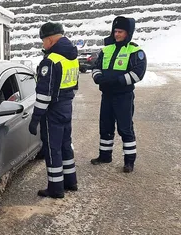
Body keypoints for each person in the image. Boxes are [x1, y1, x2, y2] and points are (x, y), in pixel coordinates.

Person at [29, 22, 79, 198]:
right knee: (66, 145)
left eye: (43, 41)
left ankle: (56, 188)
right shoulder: (72, 57)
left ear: (50, 40)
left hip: (53, 111)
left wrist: (35, 118)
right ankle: (71, 181)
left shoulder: (51, 61)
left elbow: (44, 95)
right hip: (67, 107)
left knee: (52, 149)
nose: (43, 44)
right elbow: (74, 86)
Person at [91, 16, 147, 173]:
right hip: (107, 96)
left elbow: (138, 74)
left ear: (128, 33)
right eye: (115, 31)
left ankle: (129, 162)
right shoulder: (106, 49)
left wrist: (117, 81)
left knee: (125, 128)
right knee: (105, 126)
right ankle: (105, 156)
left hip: (123, 96)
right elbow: (95, 67)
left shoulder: (135, 51)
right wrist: (98, 78)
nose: (116, 35)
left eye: (120, 32)